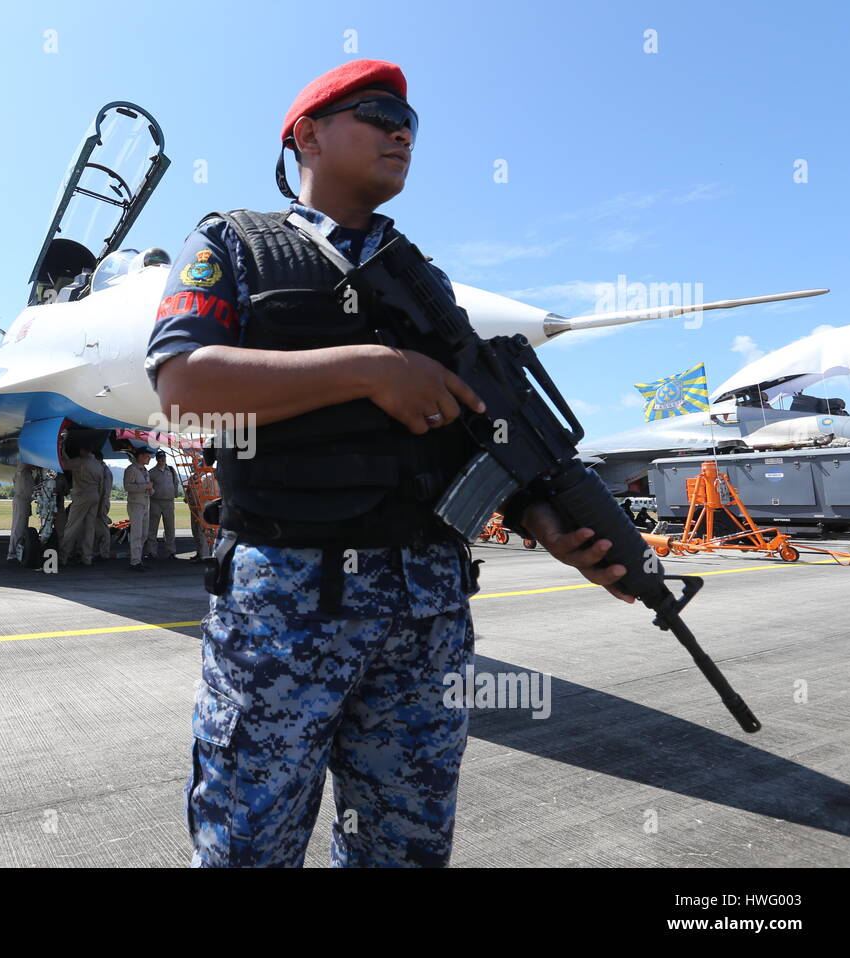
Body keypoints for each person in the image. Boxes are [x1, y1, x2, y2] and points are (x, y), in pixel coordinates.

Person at [147, 59, 635, 868]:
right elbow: (186, 393)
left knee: (406, 850)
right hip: (287, 607)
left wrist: (540, 517)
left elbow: (467, 438)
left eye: (410, 121)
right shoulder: (234, 243)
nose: (400, 130)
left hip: (427, 616)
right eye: (375, 113)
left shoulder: (426, 282)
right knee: (247, 846)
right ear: (305, 133)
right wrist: (371, 368)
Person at [58, 447, 103, 566]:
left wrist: (60, 449)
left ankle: (63, 556)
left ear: (83, 449)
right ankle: (87, 557)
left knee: (72, 526)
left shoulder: (81, 461)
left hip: (82, 496)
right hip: (95, 496)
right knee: (89, 528)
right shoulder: (98, 464)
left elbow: (63, 465)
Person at [145, 449, 181, 559]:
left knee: (170, 528)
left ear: (165, 458)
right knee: (152, 528)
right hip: (155, 502)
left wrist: (175, 493)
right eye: (160, 458)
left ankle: (171, 551)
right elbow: (148, 485)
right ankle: (151, 552)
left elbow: (176, 482)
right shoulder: (151, 472)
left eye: (163, 458)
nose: (161, 460)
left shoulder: (171, 470)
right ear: (156, 459)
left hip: (169, 502)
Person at [123, 447, 154, 570]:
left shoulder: (145, 470)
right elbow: (127, 486)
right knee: (137, 533)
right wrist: (145, 486)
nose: (149, 458)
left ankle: (138, 558)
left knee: (144, 534)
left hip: (145, 503)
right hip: (135, 504)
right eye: (147, 456)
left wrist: (150, 489)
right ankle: (135, 561)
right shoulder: (132, 470)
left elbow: (146, 486)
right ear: (140, 456)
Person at [6, 463, 41, 564]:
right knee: (18, 527)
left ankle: (18, 552)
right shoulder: (22, 470)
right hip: (21, 500)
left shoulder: (28, 474)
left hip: (25, 502)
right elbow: (26, 463)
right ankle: (12, 554)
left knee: (22, 527)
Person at [184, 466, 219, 562]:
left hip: (203, 507)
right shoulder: (219, 477)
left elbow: (199, 493)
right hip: (215, 508)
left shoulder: (205, 478)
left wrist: (191, 498)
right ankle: (211, 554)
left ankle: (204, 556)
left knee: (202, 532)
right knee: (213, 533)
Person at [92, 449, 113, 561]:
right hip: (99, 501)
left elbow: (105, 491)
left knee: (103, 529)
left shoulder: (104, 471)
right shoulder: (102, 469)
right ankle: (99, 551)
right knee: (97, 527)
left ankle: (104, 552)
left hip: (102, 502)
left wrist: (101, 506)